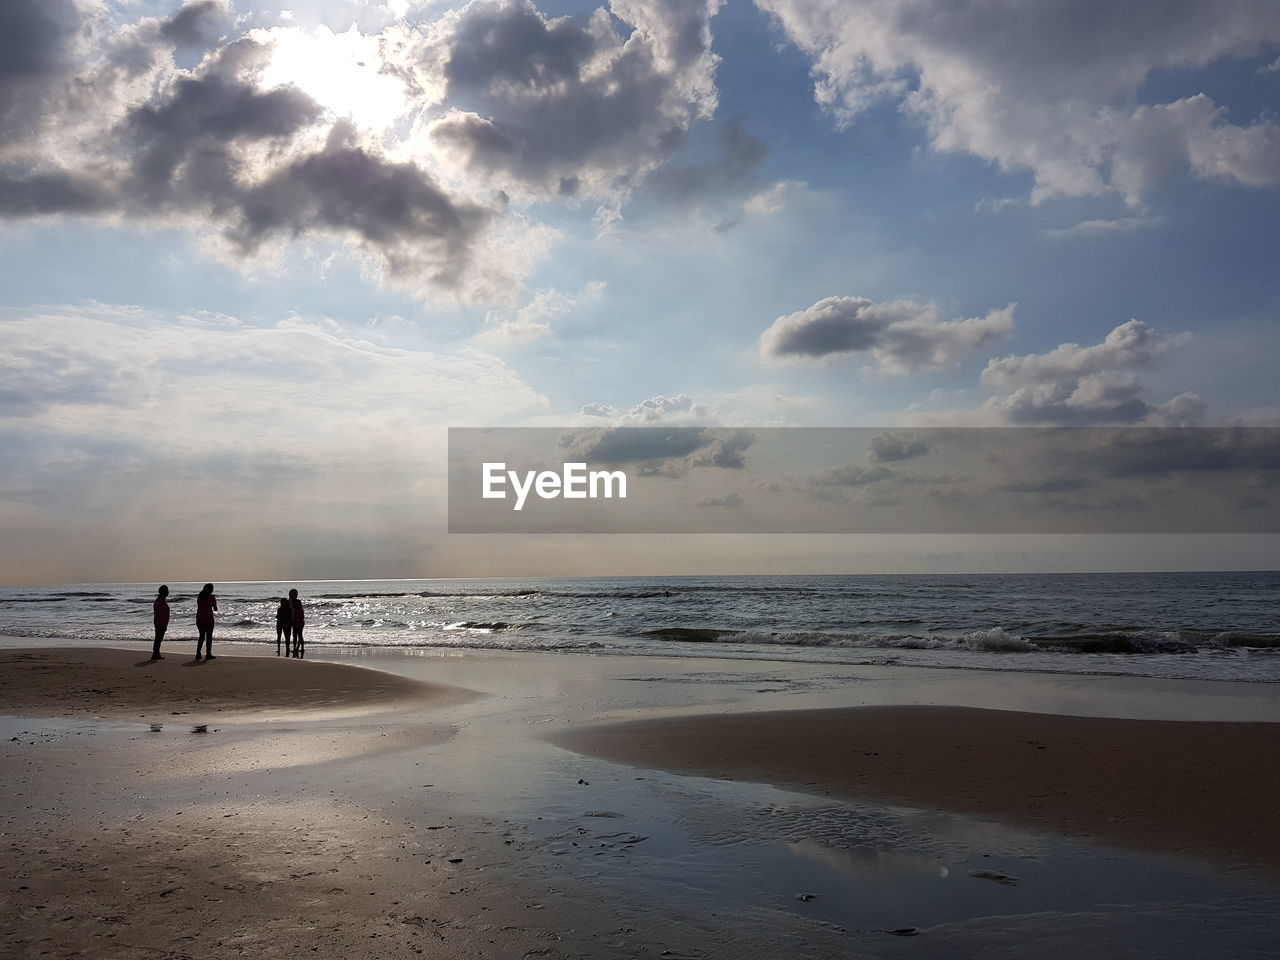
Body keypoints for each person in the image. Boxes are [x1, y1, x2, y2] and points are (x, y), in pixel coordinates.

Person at [195, 583, 217, 661]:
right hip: (208, 619)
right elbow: (215, 609)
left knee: (201, 636)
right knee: (209, 637)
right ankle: (208, 653)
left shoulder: (200, 597)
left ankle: (198, 653)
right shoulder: (211, 597)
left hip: (200, 618)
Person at [151, 585, 170, 660]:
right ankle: (155, 653)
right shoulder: (161, 601)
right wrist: (164, 624)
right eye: (167, 591)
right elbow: (162, 613)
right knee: (158, 638)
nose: (168, 592)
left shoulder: (159, 600)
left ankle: (156, 653)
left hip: (159, 622)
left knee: (158, 638)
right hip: (160, 622)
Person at [289, 588, 305, 658]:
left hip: (299, 621)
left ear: (296, 595)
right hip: (292, 621)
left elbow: (301, 612)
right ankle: (295, 647)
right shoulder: (289, 602)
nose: (291, 596)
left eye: (293, 594)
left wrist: (300, 620)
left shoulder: (298, 602)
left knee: (300, 634)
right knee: (294, 636)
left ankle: (300, 647)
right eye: (290, 594)